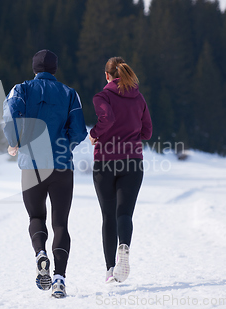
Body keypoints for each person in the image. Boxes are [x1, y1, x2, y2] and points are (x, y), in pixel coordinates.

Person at [3, 49, 87, 298]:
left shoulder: (21, 89)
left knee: (35, 217)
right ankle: (59, 280)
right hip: (61, 166)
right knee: (61, 223)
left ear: (34, 69)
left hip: (31, 165)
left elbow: (10, 114)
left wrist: (14, 141)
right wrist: (64, 145)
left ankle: (40, 254)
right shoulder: (70, 93)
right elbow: (80, 131)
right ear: (55, 69)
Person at [89, 57, 152, 283]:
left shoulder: (102, 96)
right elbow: (147, 133)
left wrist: (95, 133)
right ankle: (123, 246)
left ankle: (109, 271)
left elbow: (107, 118)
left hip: (105, 162)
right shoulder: (139, 97)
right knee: (124, 213)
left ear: (107, 75)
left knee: (108, 216)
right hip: (133, 162)